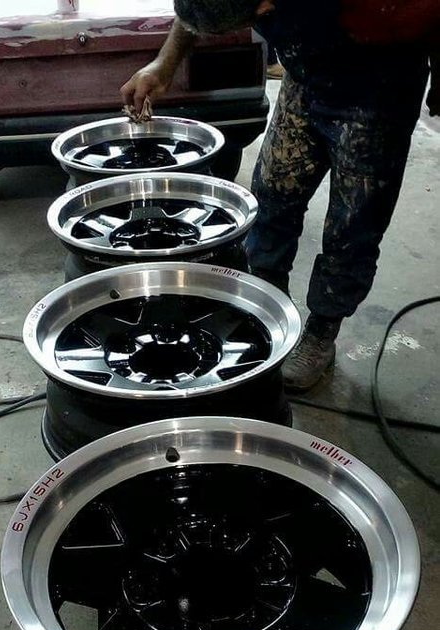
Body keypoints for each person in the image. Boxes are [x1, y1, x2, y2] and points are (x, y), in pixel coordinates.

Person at [121, 0, 438, 392]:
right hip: (305, 80)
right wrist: (163, 65)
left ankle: (322, 330)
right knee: (270, 196)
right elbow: (198, 6)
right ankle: (268, 305)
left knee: (352, 227)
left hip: (377, 91)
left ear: (265, 5)